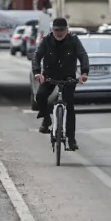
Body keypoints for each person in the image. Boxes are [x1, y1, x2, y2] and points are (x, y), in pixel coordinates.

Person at [31, 17, 89, 151]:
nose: (59, 33)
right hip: (50, 75)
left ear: (67, 30)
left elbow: (83, 55)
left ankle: (71, 138)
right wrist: (37, 72)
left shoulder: (73, 40)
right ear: (52, 30)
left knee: (70, 106)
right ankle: (46, 119)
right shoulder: (46, 40)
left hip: (68, 76)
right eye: (56, 30)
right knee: (40, 96)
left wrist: (84, 73)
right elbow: (37, 56)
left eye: (62, 30)